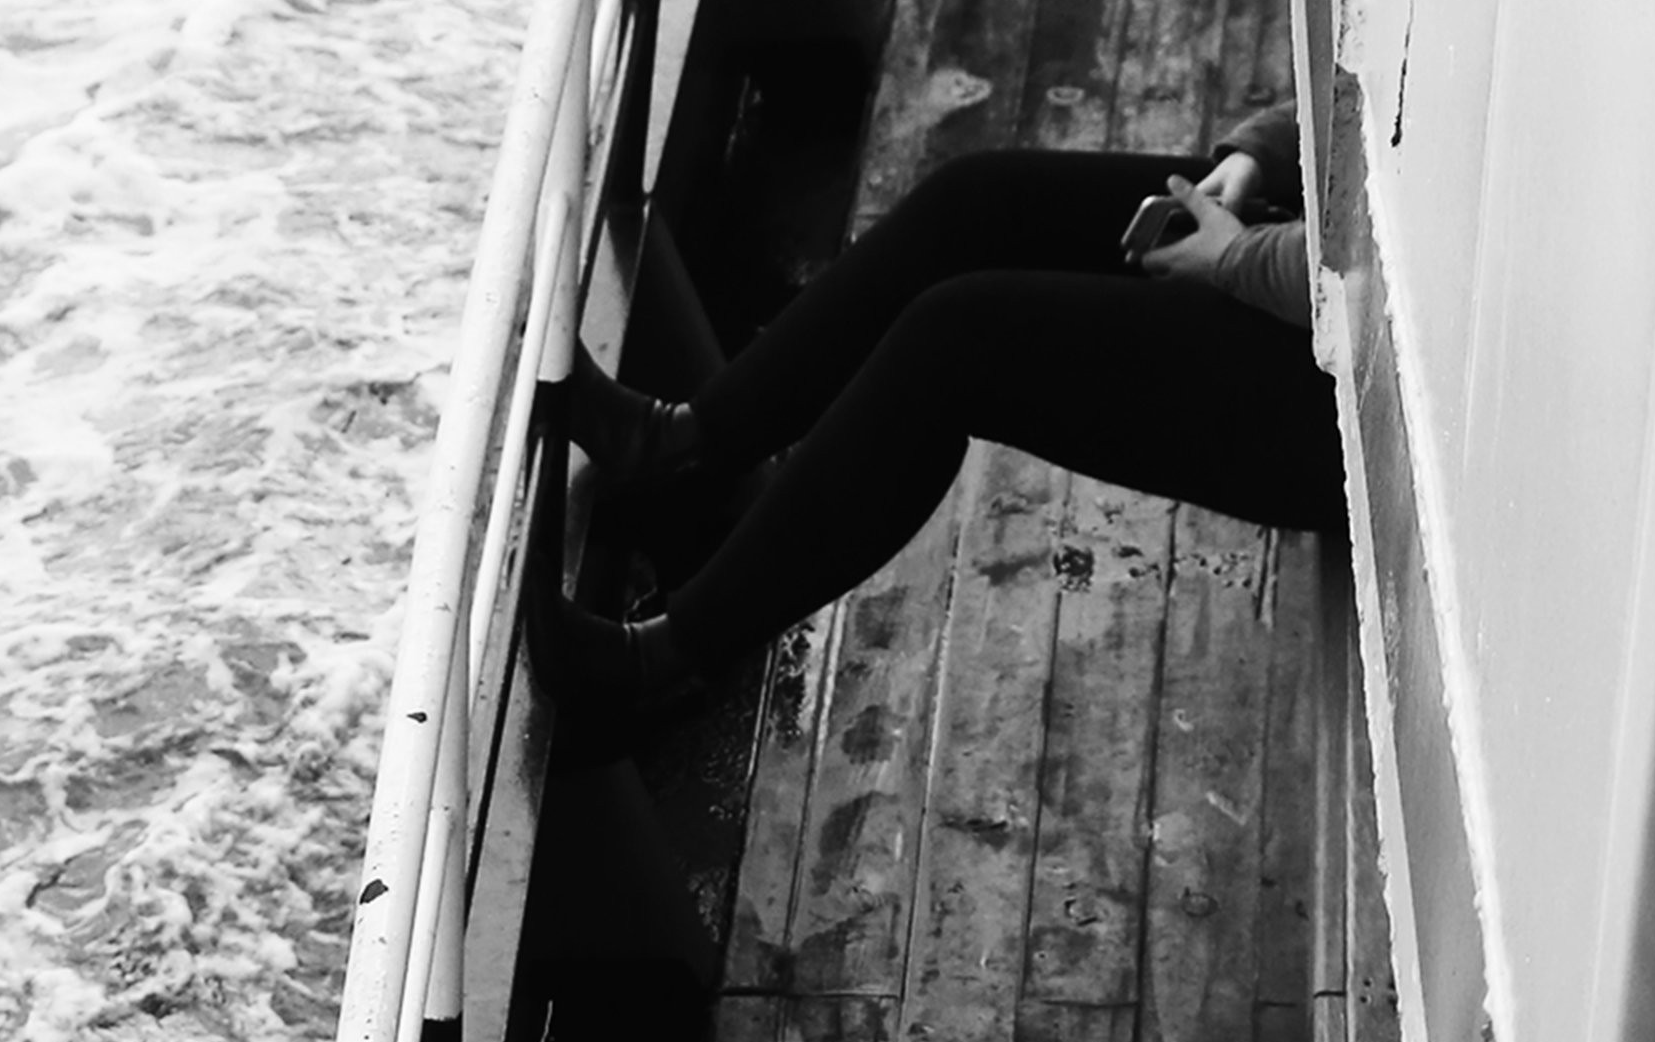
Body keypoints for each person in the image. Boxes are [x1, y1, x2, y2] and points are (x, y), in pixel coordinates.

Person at [537, 109, 1335, 725]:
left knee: (959, 343)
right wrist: (1263, 150)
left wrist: (1236, 261)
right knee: (979, 202)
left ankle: (663, 666)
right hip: (1323, 238)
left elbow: (1390, 279)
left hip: (1357, 393)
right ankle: (681, 443)